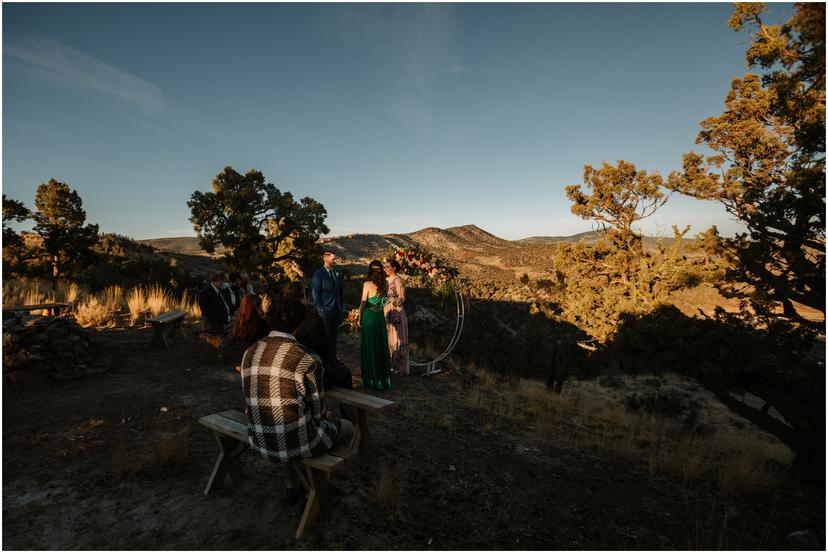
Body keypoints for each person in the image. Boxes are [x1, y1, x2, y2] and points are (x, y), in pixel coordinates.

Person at [240, 286, 353, 499]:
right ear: (298, 326)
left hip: (259, 438)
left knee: (289, 423)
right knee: (347, 428)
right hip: (296, 442)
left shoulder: (249, 352)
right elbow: (319, 415)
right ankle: (319, 487)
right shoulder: (307, 358)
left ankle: (293, 485)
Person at [293, 281, 353, 390]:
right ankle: (348, 407)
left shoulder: (283, 317)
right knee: (345, 372)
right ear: (303, 297)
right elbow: (325, 348)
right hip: (311, 370)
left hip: (289, 366)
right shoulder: (313, 319)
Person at [359, 260, 393, 390]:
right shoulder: (385, 283)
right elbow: (385, 302)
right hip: (379, 318)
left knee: (369, 347)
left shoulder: (367, 284)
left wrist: (359, 317)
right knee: (379, 347)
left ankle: (371, 379)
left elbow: (363, 303)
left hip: (369, 317)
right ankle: (383, 379)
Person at [311, 251, 344, 359]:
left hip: (336, 310)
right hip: (325, 311)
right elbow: (315, 293)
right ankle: (324, 361)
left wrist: (341, 308)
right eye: (333, 259)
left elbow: (340, 292)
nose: (335, 261)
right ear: (326, 259)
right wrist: (321, 310)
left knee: (334, 337)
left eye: (335, 259)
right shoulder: (318, 273)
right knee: (325, 337)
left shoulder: (337, 273)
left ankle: (332, 360)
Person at [383, 259, 410, 376]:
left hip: (396, 312)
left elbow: (402, 297)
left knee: (398, 338)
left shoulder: (398, 280)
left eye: (387, 266)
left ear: (394, 268)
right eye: (384, 266)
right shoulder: (384, 280)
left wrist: (393, 303)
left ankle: (399, 368)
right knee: (387, 336)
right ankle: (388, 365)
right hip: (385, 310)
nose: (385, 268)